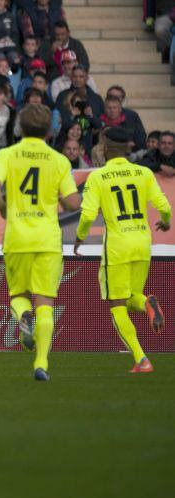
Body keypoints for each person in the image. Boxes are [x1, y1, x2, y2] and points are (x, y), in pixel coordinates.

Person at [0, 104, 81, 381]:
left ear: (19, 127)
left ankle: (22, 317)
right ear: (50, 132)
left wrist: (3, 207)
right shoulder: (59, 160)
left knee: (18, 296)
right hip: (48, 239)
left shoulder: (7, 154)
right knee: (46, 304)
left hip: (17, 236)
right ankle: (41, 364)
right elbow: (73, 202)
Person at [74, 127, 171, 373]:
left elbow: (87, 214)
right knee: (131, 299)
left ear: (105, 149)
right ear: (127, 148)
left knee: (117, 305)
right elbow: (164, 205)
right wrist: (166, 220)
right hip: (142, 243)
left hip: (117, 247)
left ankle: (141, 360)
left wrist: (79, 238)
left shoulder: (98, 177)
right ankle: (148, 303)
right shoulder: (143, 172)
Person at [103, 86, 147, 152]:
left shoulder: (132, 116)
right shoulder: (99, 118)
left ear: (123, 100)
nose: (113, 99)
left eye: (116, 97)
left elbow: (141, 139)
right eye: (110, 96)